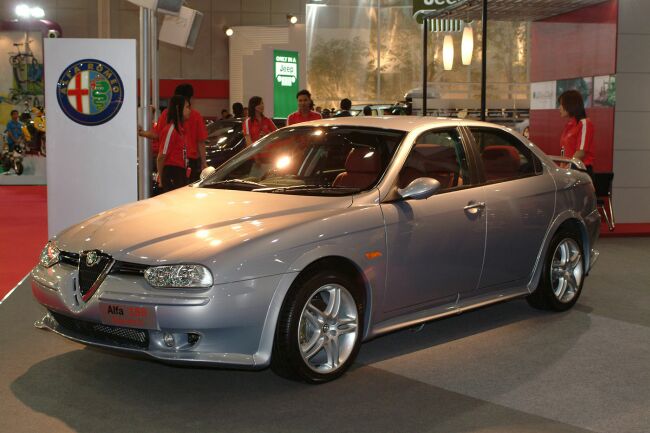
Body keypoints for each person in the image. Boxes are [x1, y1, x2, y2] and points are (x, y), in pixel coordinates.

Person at [139, 84, 208, 182]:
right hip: (188, 162)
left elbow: (157, 135)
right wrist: (204, 163)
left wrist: (142, 133)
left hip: (172, 162)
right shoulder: (196, 116)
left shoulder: (166, 114)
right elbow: (200, 142)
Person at [157, 95, 191, 193]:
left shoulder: (181, 130)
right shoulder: (171, 130)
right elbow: (161, 156)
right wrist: (161, 178)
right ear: (178, 108)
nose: (190, 110)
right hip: (172, 174)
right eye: (187, 107)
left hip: (180, 174)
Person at [558, 89, 595, 175]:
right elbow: (564, 152)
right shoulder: (569, 125)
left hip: (580, 171)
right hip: (569, 171)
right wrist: (561, 169)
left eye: (561, 104)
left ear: (570, 105)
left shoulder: (585, 123)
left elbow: (581, 152)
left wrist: (567, 169)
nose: (559, 107)